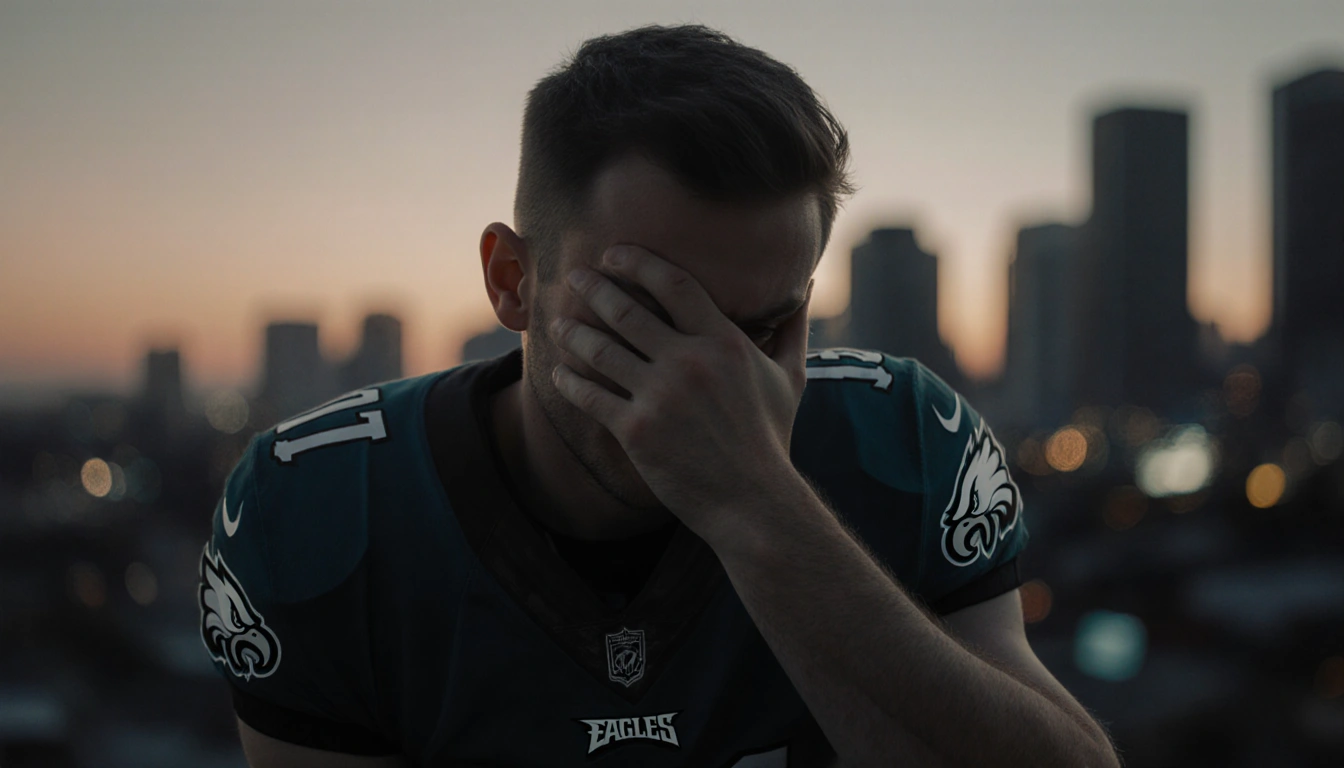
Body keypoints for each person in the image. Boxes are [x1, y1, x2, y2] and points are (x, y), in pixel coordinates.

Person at [198, 23, 1121, 768]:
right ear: (513, 280)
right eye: (645, 316)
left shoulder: (904, 442)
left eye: (764, 329)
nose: (704, 382)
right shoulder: (316, 510)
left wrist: (760, 504)